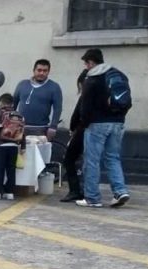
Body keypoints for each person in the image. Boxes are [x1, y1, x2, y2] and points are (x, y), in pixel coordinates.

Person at [76, 48, 131, 208]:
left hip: (97, 123)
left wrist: (84, 123)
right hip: (118, 123)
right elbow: (128, 101)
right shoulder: (119, 75)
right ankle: (120, 191)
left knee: (92, 160)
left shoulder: (93, 77)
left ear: (91, 62)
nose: (86, 67)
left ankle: (92, 198)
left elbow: (85, 106)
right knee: (113, 158)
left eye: (86, 63)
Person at [13, 59, 63, 140]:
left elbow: (58, 108)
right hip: (21, 127)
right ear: (34, 70)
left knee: (39, 152)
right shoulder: (22, 84)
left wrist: (53, 127)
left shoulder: (54, 87)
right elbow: (13, 104)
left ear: (48, 72)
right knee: (20, 152)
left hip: (41, 129)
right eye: (39, 70)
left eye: (45, 71)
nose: (41, 73)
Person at [60, 69, 89, 202]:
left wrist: (72, 129)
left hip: (82, 131)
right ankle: (87, 190)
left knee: (69, 159)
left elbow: (77, 114)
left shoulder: (86, 95)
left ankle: (75, 190)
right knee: (89, 162)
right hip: (94, 131)